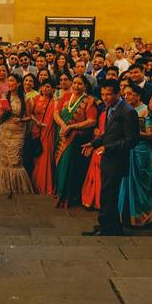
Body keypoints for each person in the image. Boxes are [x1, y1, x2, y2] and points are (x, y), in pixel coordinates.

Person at [82, 80, 140, 235]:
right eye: (102, 94)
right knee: (108, 193)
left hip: (117, 159)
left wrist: (108, 148)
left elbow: (132, 140)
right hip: (107, 157)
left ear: (117, 93)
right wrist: (93, 144)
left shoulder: (128, 111)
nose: (105, 97)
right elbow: (108, 134)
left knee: (109, 194)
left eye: (108, 94)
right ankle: (111, 226)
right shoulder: (109, 108)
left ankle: (107, 227)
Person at [53, 75, 98, 208]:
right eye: (74, 83)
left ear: (85, 86)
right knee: (60, 165)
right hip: (62, 136)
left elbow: (92, 121)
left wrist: (72, 127)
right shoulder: (66, 97)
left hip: (75, 139)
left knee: (70, 168)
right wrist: (63, 125)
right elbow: (56, 113)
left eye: (79, 84)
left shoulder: (90, 101)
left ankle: (68, 197)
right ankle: (59, 193)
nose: (76, 86)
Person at [118, 82, 152, 228]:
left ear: (138, 95)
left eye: (130, 94)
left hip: (141, 152)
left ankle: (143, 217)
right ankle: (126, 216)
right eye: (125, 94)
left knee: (141, 185)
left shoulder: (145, 110)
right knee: (125, 183)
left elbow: (151, 134)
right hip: (126, 150)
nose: (126, 96)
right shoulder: (125, 110)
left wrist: (133, 133)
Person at [0, 73, 34, 196]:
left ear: (19, 83)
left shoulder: (25, 98)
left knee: (16, 160)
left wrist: (21, 120)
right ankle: (4, 187)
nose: (9, 83)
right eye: (8, 81)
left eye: (12, 81)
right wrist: (4, 111)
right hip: (4, 130)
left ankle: (17, 187)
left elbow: (29, 117)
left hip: (18, 131)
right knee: (4, 160)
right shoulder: (4, 97)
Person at [30, 78, 58, 196]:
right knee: (36, 158)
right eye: (44, 86)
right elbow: (29, 114)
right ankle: (35, 184)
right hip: (36, 131)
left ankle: (44, 186)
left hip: (48, 131)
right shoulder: (35, 99)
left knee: (45, 157)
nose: (45, 89)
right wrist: (36, 122)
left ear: (52, 89)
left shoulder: (55, 102)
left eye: (48, 87)